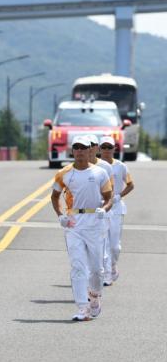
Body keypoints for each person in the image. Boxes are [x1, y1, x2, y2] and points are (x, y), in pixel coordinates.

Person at [51, 136, 112, 321]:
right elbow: (54, 197)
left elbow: (108, 197)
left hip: (95, 221)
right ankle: (82, 308)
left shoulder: (100, 173)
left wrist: (104, 208)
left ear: (89, 151)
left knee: (96, 269)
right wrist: (60, 215)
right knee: (78, 266)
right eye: (76, 148)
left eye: (83, 148)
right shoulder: (64, 173)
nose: (79, 151)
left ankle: (94, 295)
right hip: (74, 222)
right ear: (72, 151)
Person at [99, 136, 134, 285]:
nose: (106, 150)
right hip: (100, 209)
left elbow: (131, 185)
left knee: (115, 246)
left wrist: (119, 196)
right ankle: (106, 275)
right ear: (99, 149)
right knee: (103, 244)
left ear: (114, 149)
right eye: (104, 147)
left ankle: (113, 266)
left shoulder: (121, 166)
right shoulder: (94, 166)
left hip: (117, 208)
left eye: (109, 147)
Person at [86, 135, 114, 286]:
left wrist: (104, 207)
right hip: (84, 215)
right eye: (87, 145)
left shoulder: (105, 167)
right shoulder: (77, 166)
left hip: (102, 211)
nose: (89, 148)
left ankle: (106, 275)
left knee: (103, 245)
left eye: (92, 145)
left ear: (97, 147)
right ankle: (91, 276)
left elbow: (111, 190)